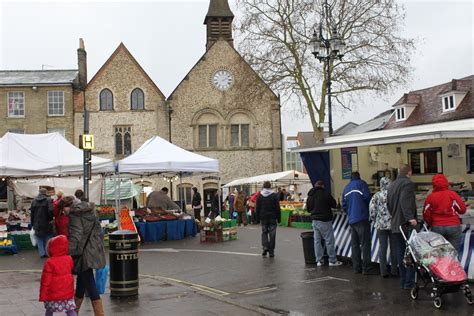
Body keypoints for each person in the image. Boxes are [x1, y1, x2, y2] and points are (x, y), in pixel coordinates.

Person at [68, 190, 106, 316]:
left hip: (82, 252)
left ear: (67, 207)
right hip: (92, 250)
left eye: (63, 210)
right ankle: (74, 312)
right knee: (82, 281)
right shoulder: (91, 212)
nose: (63, 213)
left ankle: (99, 314)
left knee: (89, 281)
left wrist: (69, 253)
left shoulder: (74, 215)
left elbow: (76, 236)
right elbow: (99, 232)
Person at [387, 164, 417, 290]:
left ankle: (403, 280)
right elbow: (405, 201)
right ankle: (409, 282)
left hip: (395, 224)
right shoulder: (408, 184)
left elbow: (388, 204)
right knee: (410, 254)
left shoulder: (391, 185)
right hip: (405, 224)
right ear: (409, 172)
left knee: (400, 254)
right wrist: (410, 217)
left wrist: (394, 216)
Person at [423, 173, 467, 254]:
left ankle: (442, 266)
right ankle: (453, 266)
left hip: (437, 227)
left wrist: (431, 223)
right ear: (446, 183)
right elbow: (463, 210)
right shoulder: (452, 194)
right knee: (454, 253)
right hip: (453, 226)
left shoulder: (430, 197)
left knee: (440, 254)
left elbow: (426, 214)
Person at [342, 171, 373, 274]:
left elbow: (344, 205)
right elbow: (368, 199)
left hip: (352, 220)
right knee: (365, 245)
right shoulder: (362, 184)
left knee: (355, 245)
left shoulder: (346, 188)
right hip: (362, 218)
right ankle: (367, 269)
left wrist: (350, 213)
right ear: (359, 177)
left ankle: (356, 268)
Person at [306, 180, 342, 267]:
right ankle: (332, 260)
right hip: (325, 220)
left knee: (317, 241)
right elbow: (334, 204)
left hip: (314, 221)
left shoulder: (310, 195)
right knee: (329, 241)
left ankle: (319, 261)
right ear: (322, 186)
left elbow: (308, 209)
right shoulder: (325, 194)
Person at [39, 235, 77, 316]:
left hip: (53, 294)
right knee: (70, 310)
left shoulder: (50, 262)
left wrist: (43, 295)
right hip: (67, 292)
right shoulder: (69, 259)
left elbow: (45, 281)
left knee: (49, 310)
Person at [369, 177, 398, 277]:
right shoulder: (394, 195)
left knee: (383, 248)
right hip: (393, 225)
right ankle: (394, 271)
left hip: (380, 226)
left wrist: (375, 220)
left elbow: (372, 211)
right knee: (394, 248)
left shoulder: (376, 196)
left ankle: (383, 272)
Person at [256, 181, 281, 257]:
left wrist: (257, 218)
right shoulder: (274, 195)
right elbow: (277, 208)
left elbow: (257, 208)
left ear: (263, 186)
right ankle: (271, 251)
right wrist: (279, 218)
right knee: (272, 235)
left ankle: (265, 246)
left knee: (264, 232)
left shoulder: (260, 195)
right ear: (270, 186)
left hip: (263, 218)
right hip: (272, 218)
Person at [31, 188, 54, 258]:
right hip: (46, 222)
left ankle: (42, 253)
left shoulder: (34, 201)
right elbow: (50, 210)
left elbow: (32, 213)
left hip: (37, 223)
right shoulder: (48, 200)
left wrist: (33, 223)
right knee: (48, 237)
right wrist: (51, 219)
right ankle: (47, 252)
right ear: (45, 193)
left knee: (39, 238)